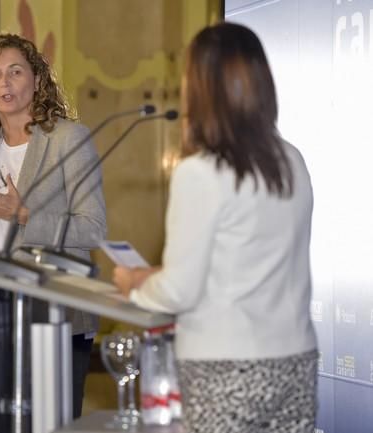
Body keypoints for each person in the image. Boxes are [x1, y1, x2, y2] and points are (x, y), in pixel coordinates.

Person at [113, 22, 317, 433]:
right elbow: (251, 261)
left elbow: (179, 293)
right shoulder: (292, 160)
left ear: (199, 88)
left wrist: (135, 282)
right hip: (295, 361)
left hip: (225, 368)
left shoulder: (201, 172)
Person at [0, 33, 106, 418]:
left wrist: (25, 214)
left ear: (36, 79)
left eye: (15, 71)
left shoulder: (69, 139)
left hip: (57, 315)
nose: (5, 83)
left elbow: (94, 228)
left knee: (52, 423)